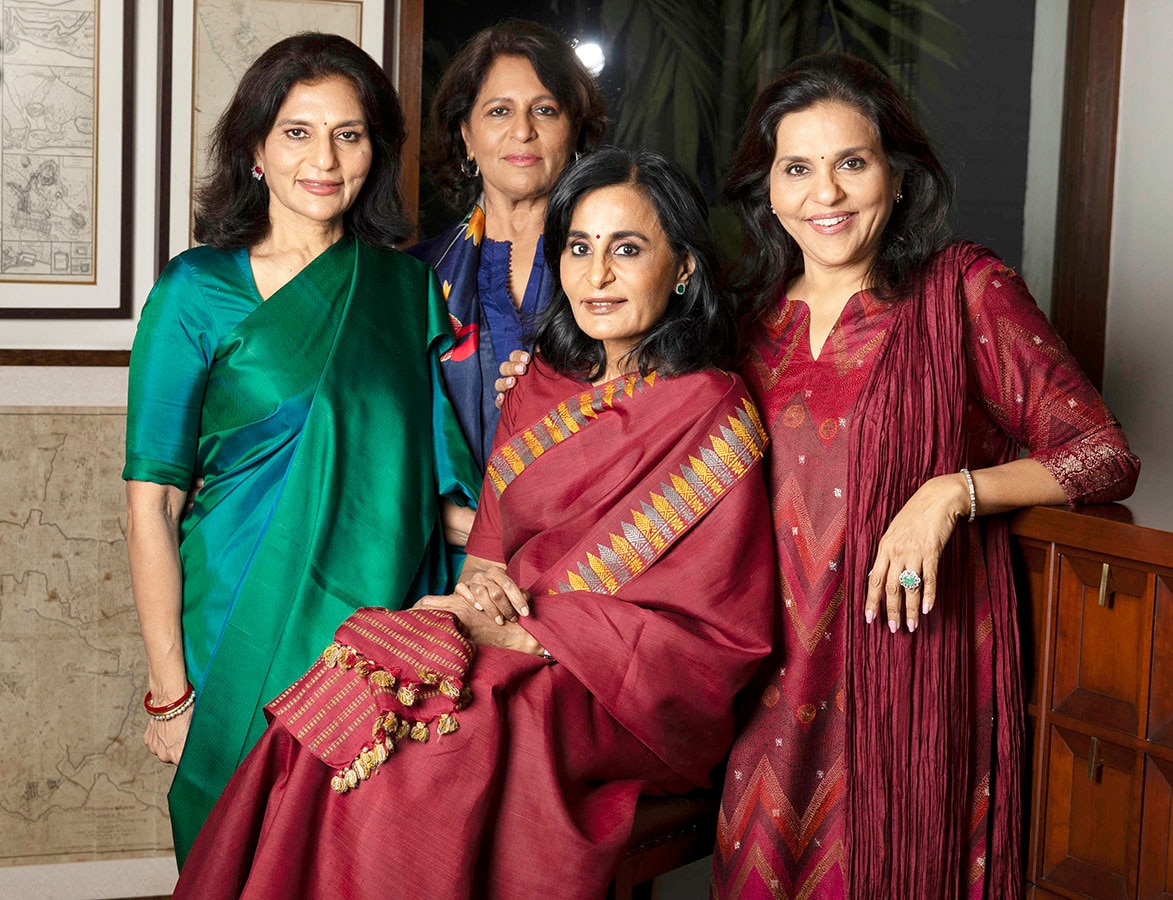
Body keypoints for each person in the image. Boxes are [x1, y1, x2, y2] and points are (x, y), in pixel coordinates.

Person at [171, 148, 775, 900]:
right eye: (579, 249)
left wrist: (530, 634)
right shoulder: (541, 386)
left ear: (683, 267)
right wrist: (471, 610)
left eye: (628, 248)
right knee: (349, 685)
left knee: (444, 739)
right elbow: (489, 556)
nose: (598, 275)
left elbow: (718, 628)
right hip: (508, 644)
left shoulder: (708, 407)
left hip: (625, 689)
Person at [708, 54, 1140, 899]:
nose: (825, 195)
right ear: (769, 188)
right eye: (797, 169)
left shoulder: (962, 293)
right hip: (765, 682)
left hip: (904, 671)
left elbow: (1101, 452)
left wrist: (951, 493)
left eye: (852, 163)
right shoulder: (743, 321)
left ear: (898, 177)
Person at [122, 33, 476, 867]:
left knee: (358, 866)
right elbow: (153, 501)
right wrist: (171, 693)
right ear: (254, 147)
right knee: (231, 860)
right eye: (297, 131)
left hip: (372, 646)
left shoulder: (404, 290)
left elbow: (444, 492)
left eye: (349, 134)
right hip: (232, 620)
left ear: (375, 151)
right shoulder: (193, 291)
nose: (324, 158)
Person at [410, 19, 607, 473]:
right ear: (466, 136)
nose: (523, 131)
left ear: (574, 130)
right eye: (499, 111)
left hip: (593, 535)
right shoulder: (415, 276)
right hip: (445, 537)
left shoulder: (619, 269)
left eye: (545, 110)